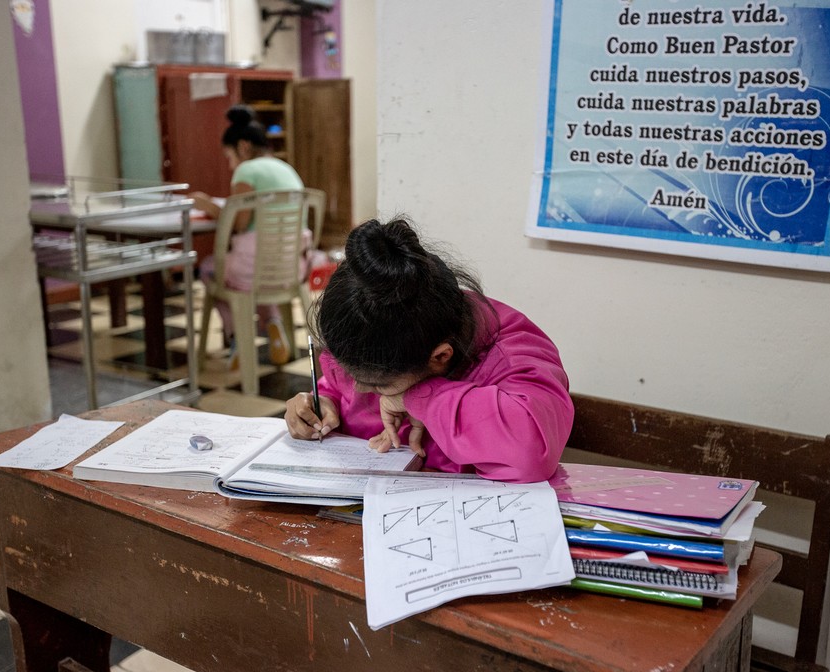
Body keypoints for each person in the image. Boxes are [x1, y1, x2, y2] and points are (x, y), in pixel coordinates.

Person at [284, 217, 574, 483]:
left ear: (440, 357)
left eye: (377, 384)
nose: (358, 387)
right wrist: (323, 402)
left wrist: (421, 398)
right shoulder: (373, 339)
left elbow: (529, 453)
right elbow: (342, 387)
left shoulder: (513, 353)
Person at [191, 103, 306, 366]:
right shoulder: (285, 168)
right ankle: (273, 323)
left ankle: (237, 339)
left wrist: (207, 204)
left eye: (229, 157)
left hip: (253, 267)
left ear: (242, 147)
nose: (231, 165)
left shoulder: (246, 171)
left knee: (210, 271)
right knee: (253, 279)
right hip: (290, 267)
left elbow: (239, 224)